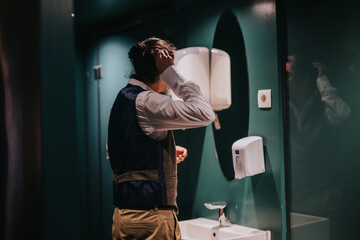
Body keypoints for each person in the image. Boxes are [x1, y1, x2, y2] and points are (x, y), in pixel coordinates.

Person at [107, 37, 215, 240]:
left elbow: (120, 152)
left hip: (124, 217)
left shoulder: (122, 100)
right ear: (162, 69)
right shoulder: (147, 101)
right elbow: (204, 113)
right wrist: (172, 76)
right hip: (151, 219)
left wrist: (163, 155)